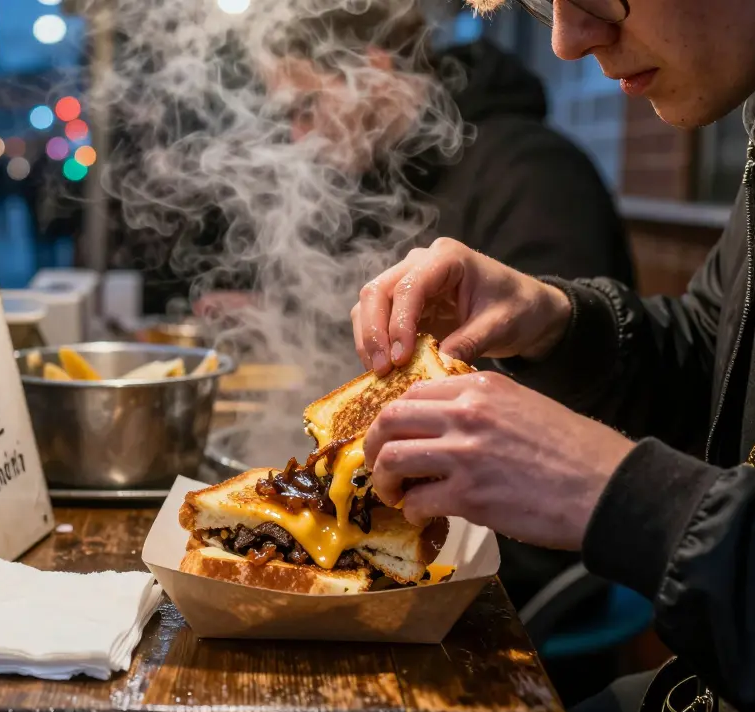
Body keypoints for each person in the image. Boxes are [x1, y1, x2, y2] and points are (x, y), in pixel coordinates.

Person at [351, 0, 755, 712]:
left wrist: (615, 492)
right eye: (545, 4)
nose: (567, 41)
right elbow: (716, 362)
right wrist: (555, 323)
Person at [137, 2, 636, 615]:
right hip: (415, 507)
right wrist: (279, 316)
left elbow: (581, 402)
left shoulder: (535, 173)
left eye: (304, 109)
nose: (297, 136)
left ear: (367, 72)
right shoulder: (386, 173)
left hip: (521, 573)